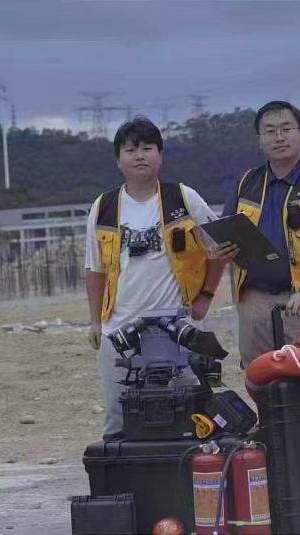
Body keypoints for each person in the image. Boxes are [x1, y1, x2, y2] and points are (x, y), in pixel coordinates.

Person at [84, 117, 224, 439]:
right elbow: (95, 269)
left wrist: (205, 297)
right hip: (119, 330)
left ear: (160, 155)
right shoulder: (103, 207)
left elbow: (219, 250)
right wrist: (95, 321)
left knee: (191, 412)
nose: (140, 156)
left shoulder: (183, 199)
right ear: (118, 160)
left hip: (177, 329)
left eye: (148, 148)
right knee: (119, 419)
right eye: (131, 150)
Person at [215, 100, 300, 368]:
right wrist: (218, 251)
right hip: (255, 298)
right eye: (270, 131)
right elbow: (226, 230)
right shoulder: (246, 183)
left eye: (287, 128)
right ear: (259, 140)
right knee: (260, 377)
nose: (279, 137)